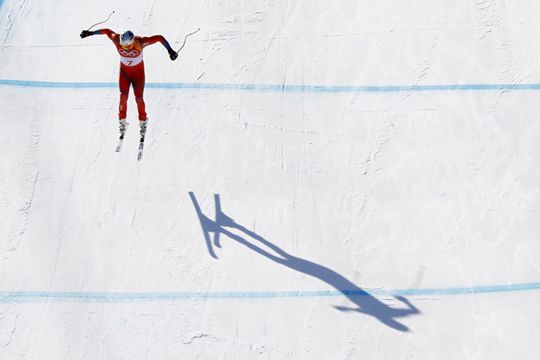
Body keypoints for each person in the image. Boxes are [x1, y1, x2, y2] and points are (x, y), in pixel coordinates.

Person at [80, 28, 178, 141]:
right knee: (123, 96)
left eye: (127, 47)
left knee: (139, 99)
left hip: (138, 75)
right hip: (125, 74)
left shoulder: (140, 42)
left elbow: (159, 38)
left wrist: (170, 51)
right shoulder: (117, 40)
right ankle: (122, 122)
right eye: (123, 46)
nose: (125, 49)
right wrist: (90, 33)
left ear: (132, 42)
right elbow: (107, 31)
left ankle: (143, 121)